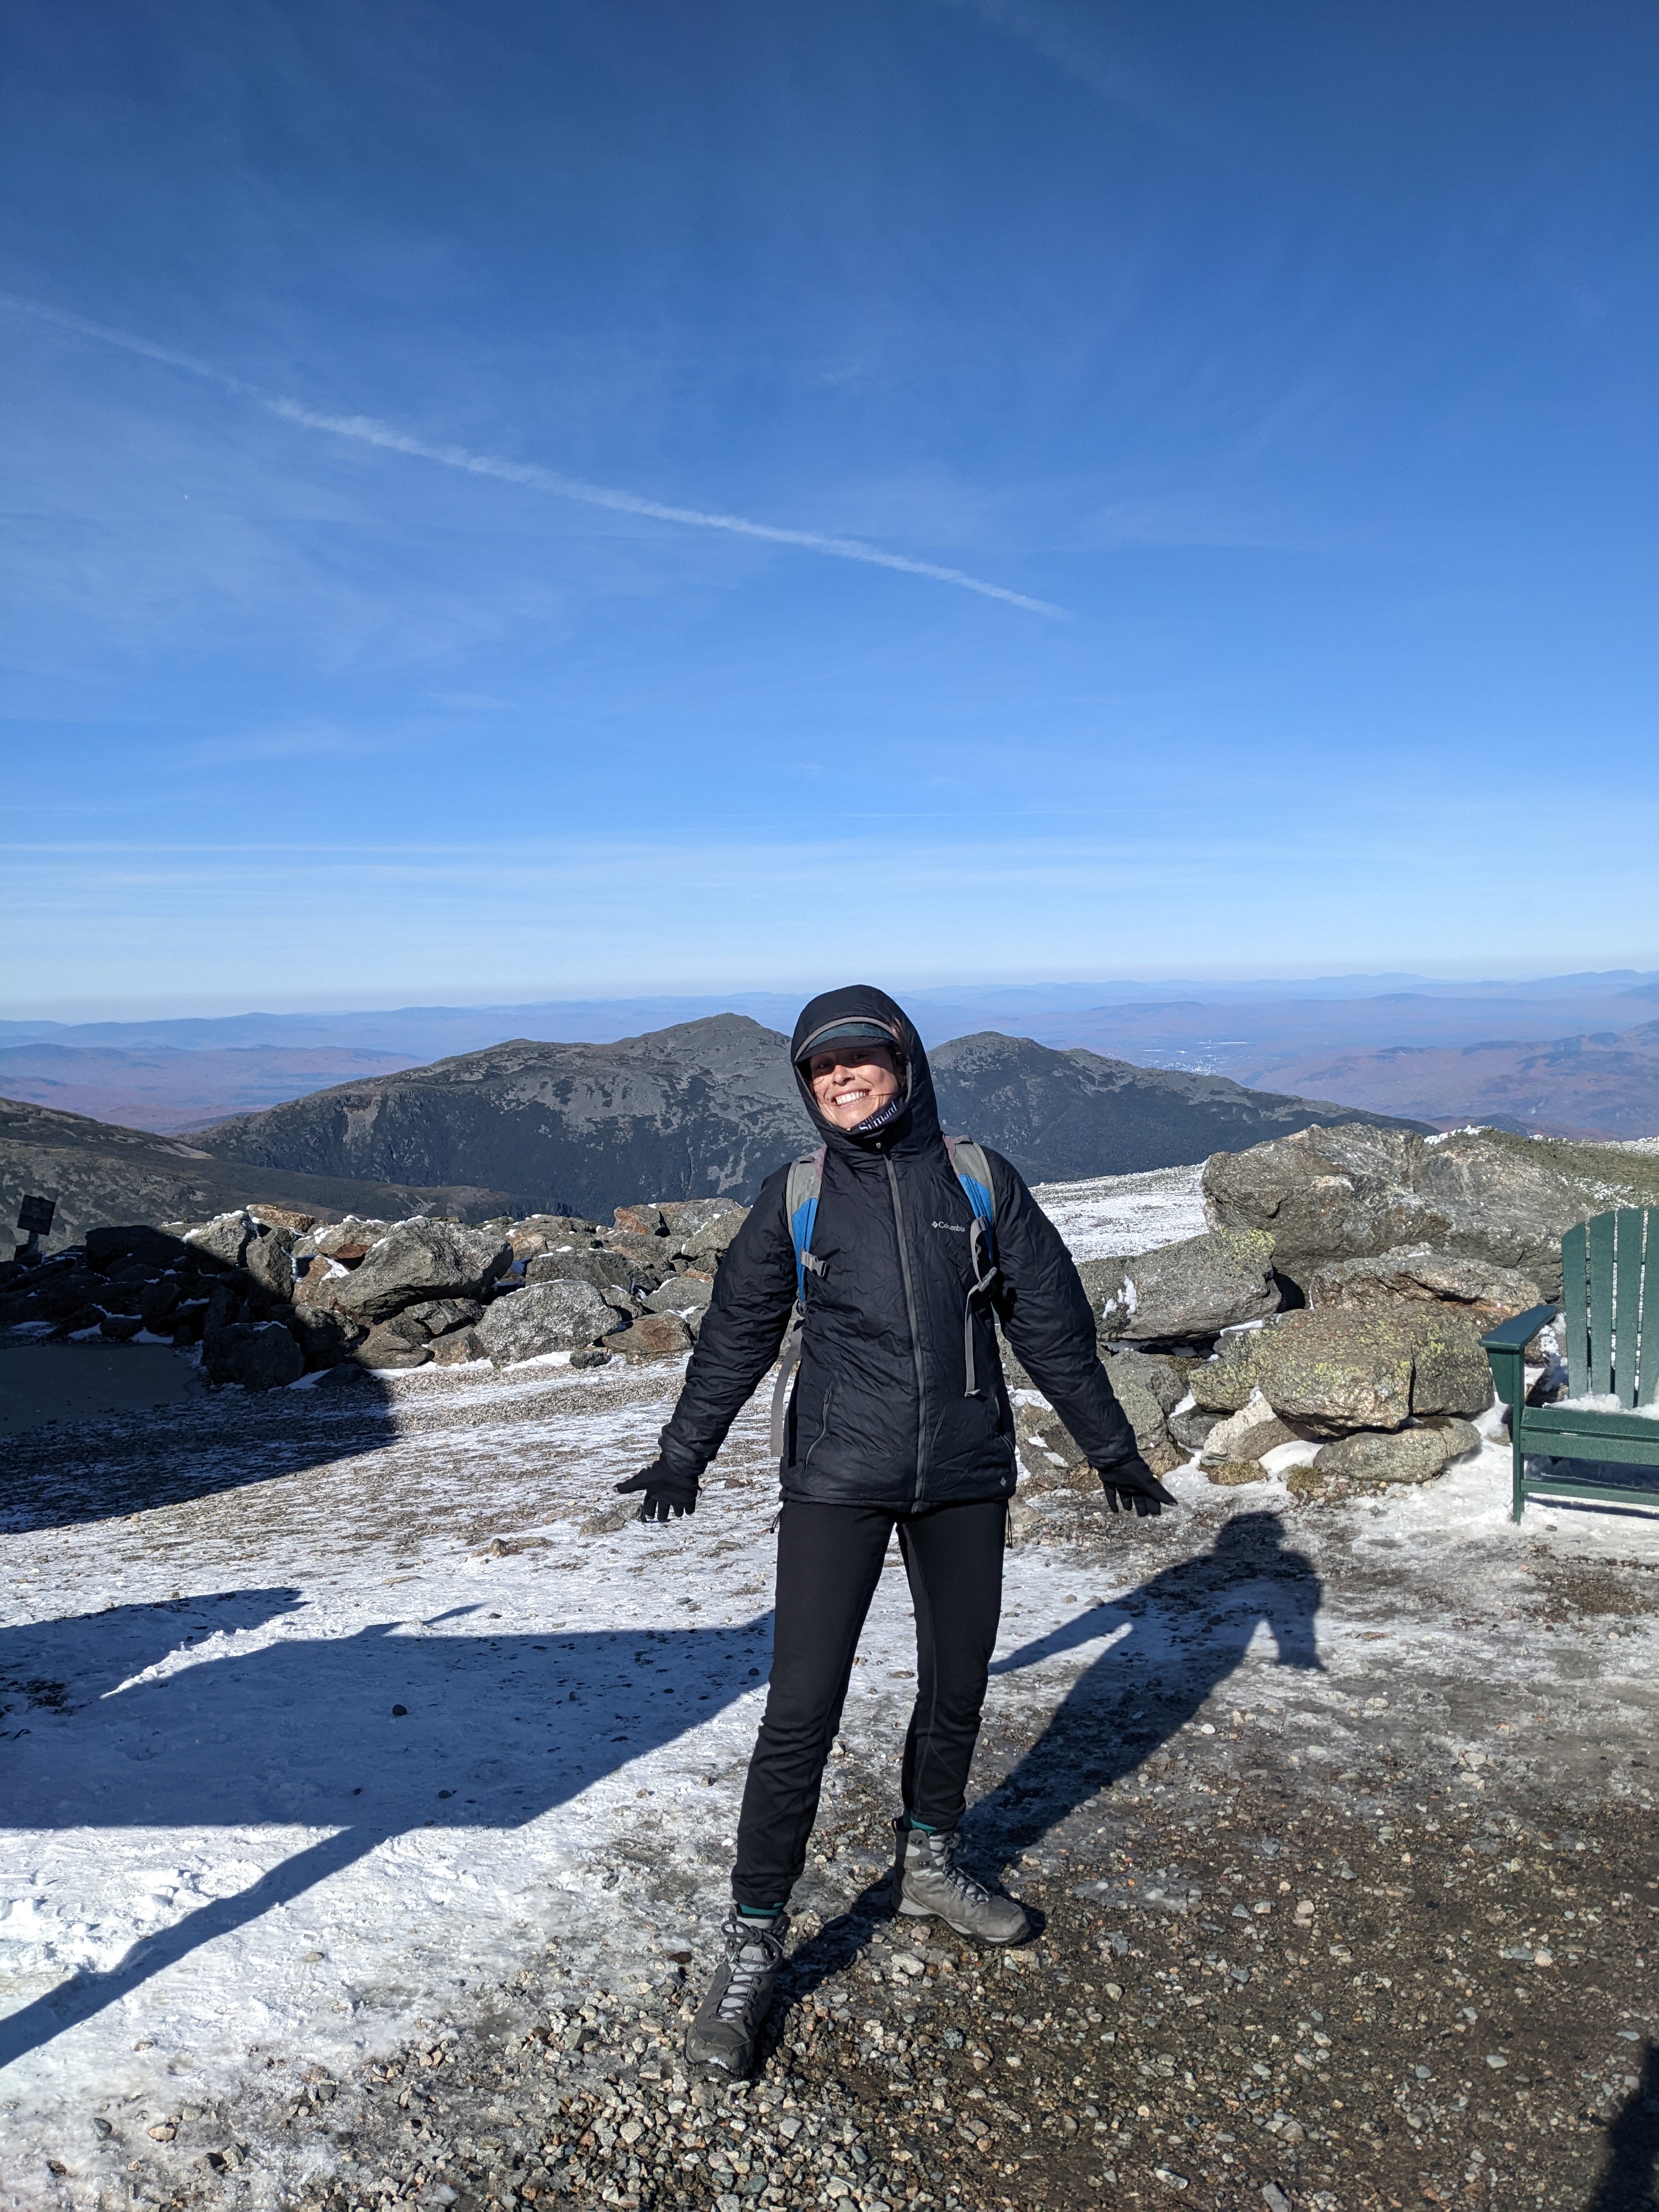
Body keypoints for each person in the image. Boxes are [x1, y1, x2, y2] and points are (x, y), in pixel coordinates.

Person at [615, 985, 1174, 2077]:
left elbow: (1052, 1320)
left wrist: (1112, 1447)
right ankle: (755, 1935)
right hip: (836, 1480)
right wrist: (688, 1448)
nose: (842, 1079)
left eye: (861, 1060)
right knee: (802, 1710)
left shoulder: (976, 1179)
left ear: (906, 1064)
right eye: (822, 1070)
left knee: (956, 1684)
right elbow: (735, 1331)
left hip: (964, 1474)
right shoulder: (798, 1197)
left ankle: (929, 1863)